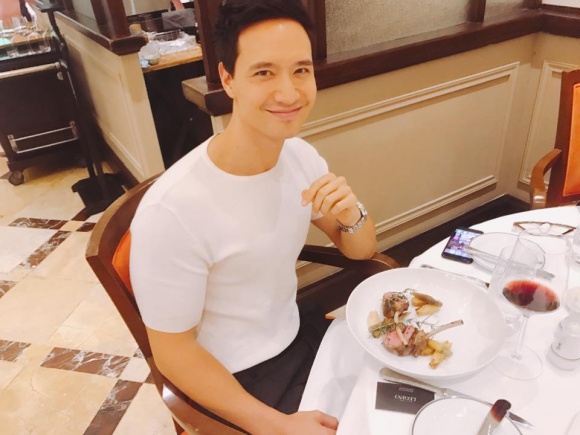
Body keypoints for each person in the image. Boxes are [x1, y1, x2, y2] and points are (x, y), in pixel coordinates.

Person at [129, 0, 377, 433]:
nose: (289, 93)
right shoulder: (172, 211)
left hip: (298, 335)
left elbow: (361, 249)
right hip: (237, 378)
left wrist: (351, 212)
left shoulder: (299, 156)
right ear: (228, 79)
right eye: (264, 72)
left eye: (301, 70)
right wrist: (277, 427)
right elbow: (173, 353)